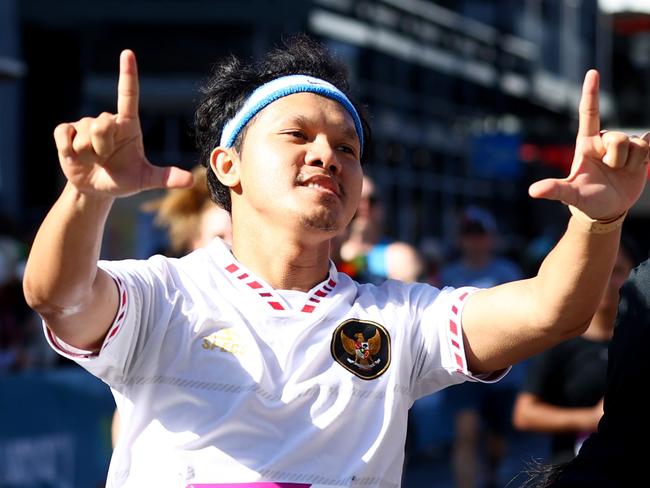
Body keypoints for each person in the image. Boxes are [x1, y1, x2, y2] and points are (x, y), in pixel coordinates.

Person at [22, 35, 648, 487]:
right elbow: (60, 296)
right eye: (298, 135)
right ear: (227, 166)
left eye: (347, 147)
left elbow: (553, 310)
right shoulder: (163, 295)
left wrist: (599, 218)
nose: (328, 154)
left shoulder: (396, 317)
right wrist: (86, 195)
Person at [110, 164, 232, 446]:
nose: (230, 246)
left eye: (237, 235)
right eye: (219, 237)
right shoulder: (165, 300)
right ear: (194, 239)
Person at [520, 256, 650, 487]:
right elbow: (524, 413)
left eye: (617, 270)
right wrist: (589, 418)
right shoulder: (562, 342)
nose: (608, 279)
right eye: (600, 268)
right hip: (577, 464)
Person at [438, 206, 524, 488]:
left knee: (497, 439)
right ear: (461, 239)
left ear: (491, 238)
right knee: (466, 434)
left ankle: (492, 471)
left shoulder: (507, 272)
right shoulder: (448, 274)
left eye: (480, 234)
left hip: (502, 371)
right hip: (461, 367)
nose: (474, 241)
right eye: (469, 234)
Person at [338, 175, 422, 283]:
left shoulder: (398, 255)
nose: (365, 206)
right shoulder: (329, 251)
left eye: (372, 200)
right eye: (358, 199)